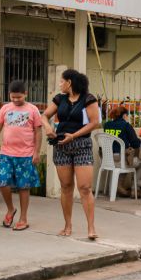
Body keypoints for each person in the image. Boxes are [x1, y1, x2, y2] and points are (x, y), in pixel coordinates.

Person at [42, 69, 100, 240]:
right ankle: (67, 225)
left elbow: (95, 122)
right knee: (66, 187)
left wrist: (74, 136)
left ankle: (91, 227)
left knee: (84, 187)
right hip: (61, 144)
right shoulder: (60, 99)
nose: (60, 84)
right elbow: (44, 115)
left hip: (81, 144)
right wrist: (48, 128)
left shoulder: (88, 99)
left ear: (70, 82)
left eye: (62, 81)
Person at [0, 80, 42, 231]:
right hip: (6, 153)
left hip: (26, 155)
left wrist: (36, 152)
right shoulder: (5, 108)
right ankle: (10, 209)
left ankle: (23, 218)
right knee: (3, 183)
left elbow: (38, 132)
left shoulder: (33, 110)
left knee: (23, 187)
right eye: (13, 97)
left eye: (19, 97)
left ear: (25, 94)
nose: (16, 100)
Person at [103, 105, 141, 197]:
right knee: (140, 164)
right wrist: (140, 141)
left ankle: (119, 187)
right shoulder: (126, 125)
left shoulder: (107, 125)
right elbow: (135, 143)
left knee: (125, 161)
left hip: (107, 159)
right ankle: (135, 190)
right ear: (124, 115)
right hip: (120, 159)